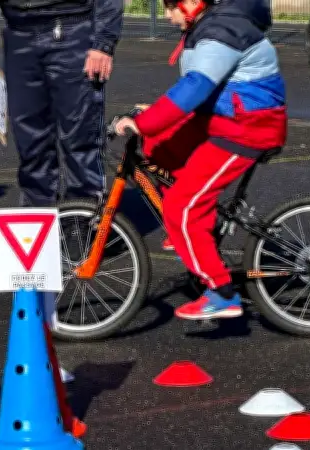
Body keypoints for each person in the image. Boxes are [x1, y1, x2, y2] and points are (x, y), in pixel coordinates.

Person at [114, 0, 287, 320]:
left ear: (192, 3)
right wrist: (152, 115)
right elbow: (199, 86)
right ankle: (195, 229)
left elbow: (196, 86)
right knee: (158, 145)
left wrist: (146, 120)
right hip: (225, 117)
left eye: (170, 7)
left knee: (182, 205)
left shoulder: (221, 30)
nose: (167, 16)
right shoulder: (211, 26)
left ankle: (221, 293)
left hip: (247, 128)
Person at [0, 0, 124, 207]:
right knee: (30, 139)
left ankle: (83, 220)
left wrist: (104, 42)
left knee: (80, 137)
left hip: (73, 30)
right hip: (19, 33)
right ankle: (37, 217)